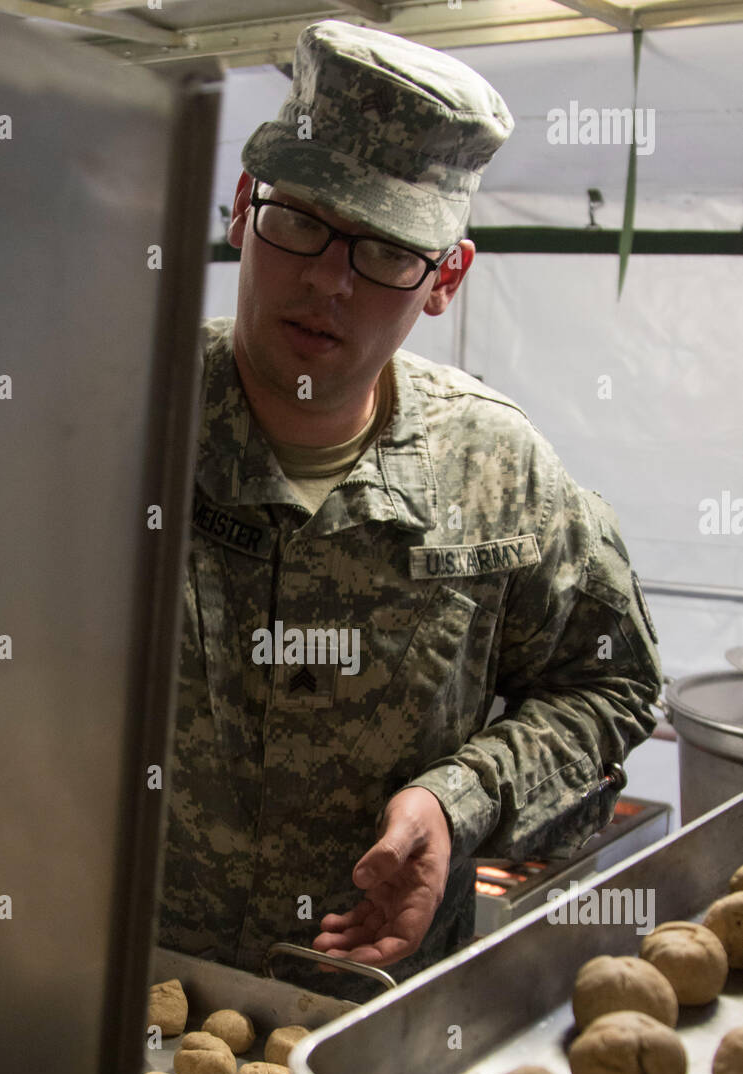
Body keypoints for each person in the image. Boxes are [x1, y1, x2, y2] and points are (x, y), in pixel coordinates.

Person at [155, 20, 662, 999]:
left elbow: (610, 688)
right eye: (300, 219)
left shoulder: (500, 471)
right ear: (241, 206)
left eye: (387, 251)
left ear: (447, 279)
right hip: (126, 993)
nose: (329, 279)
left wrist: (458, 799)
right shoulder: (112, 424)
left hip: (376, 1019)